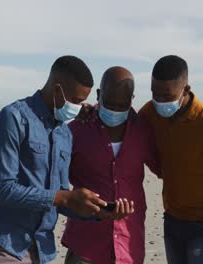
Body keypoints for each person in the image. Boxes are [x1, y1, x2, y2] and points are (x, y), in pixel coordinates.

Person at [0, 56, 132, 264]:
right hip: (6, 242)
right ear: (57, 90)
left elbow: (59, 198)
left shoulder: (64, 134)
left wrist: (98, 211)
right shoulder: (13, 118)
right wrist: (65, 197)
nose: (79, 107)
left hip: (42, 247)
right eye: (76, 101)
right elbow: (3, 190)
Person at [139, 55, 203, 264]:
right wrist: (92, 111)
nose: (159, 101)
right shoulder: (150, 113)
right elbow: (124, 128)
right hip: (172, 219)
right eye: (154, 94)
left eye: (166, 96)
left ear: (185, 90)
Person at [61, 66, 160, 264]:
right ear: (99, 94)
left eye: (122, 105)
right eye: (110, 104)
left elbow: (166, 168)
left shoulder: (143, 131)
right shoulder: (75, 130)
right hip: (85, 246)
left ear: (131, 99)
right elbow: (55, 182)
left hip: (129, 245)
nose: (115, 110)